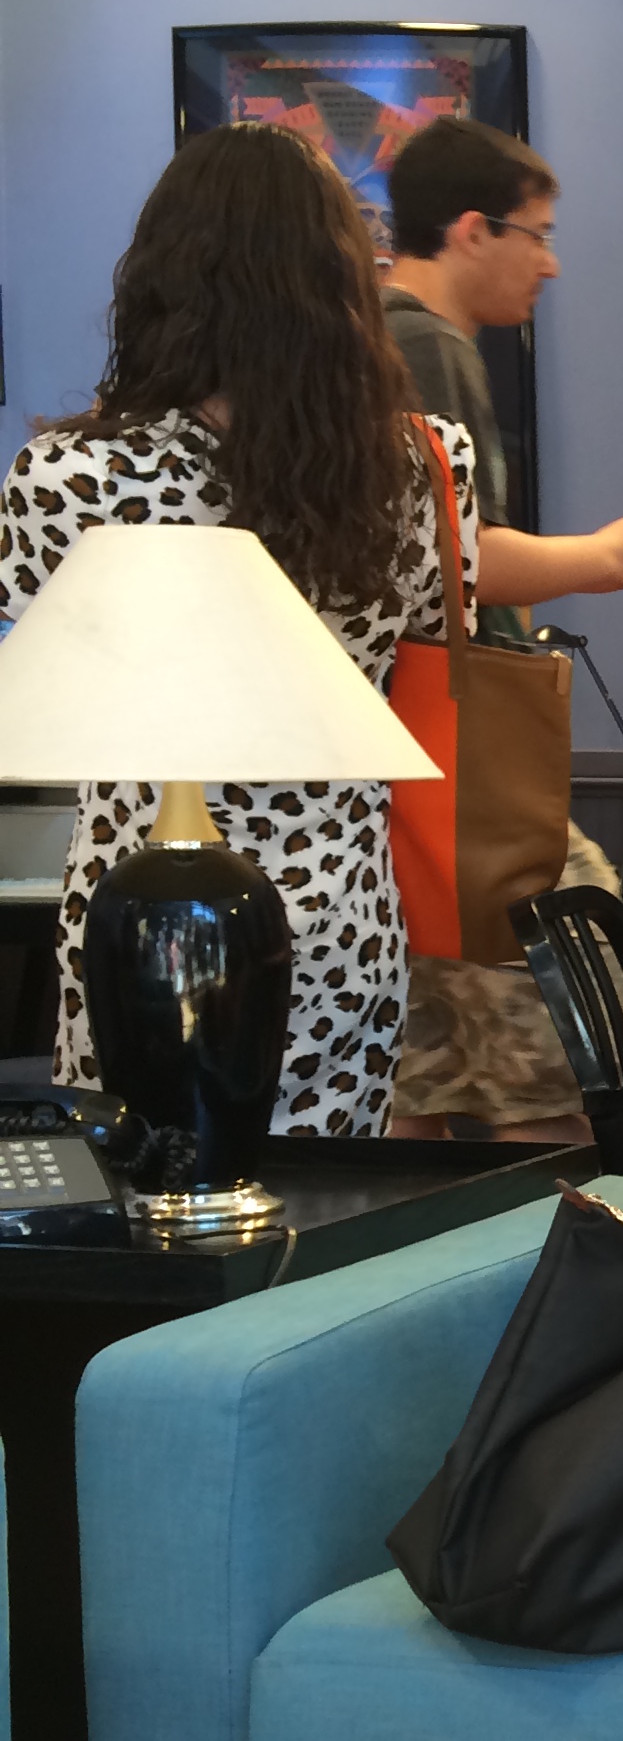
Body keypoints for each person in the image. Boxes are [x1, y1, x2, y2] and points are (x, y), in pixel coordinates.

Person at [0, 124, 478, 1135]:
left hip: (136, 907)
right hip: (339, 912)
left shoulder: (71, 478)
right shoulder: (423, 464)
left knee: (144, 1195)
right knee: (327, 1204)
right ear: (342, 283)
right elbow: (441, 625)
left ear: (163, 279)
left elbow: (55, 656)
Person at [377, 116, 623, 1145]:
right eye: (537, 235)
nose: (549, 264)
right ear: (473, 230)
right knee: (576, 1076)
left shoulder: (378, 340)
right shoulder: (426, 345)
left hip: (408, 770)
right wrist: (604, 559)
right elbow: (452, 556)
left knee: (414, 1087)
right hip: (469, 765)